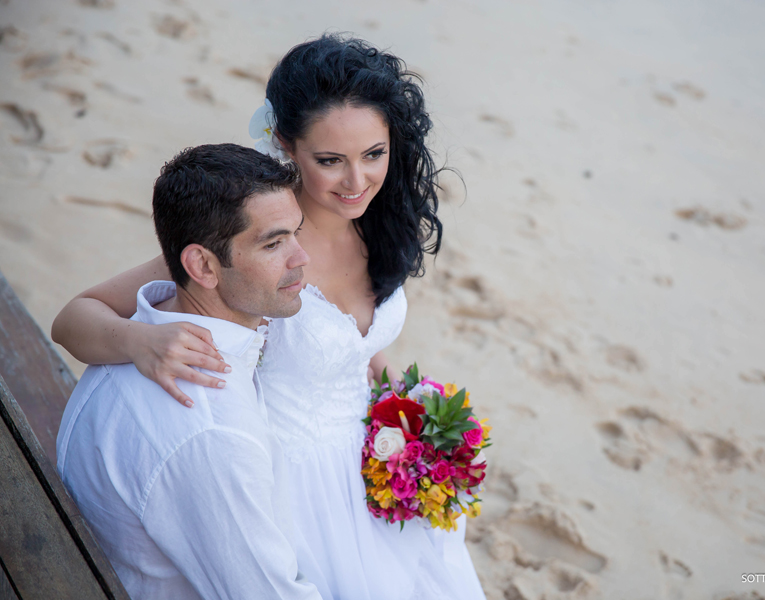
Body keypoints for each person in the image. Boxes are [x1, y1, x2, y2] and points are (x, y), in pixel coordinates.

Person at [52, 35, 485, 599]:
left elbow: (356, 344)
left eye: (373, 154)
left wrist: (407, 407)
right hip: (293, 482)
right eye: (330, 161)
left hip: (375, 459)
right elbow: (73, 319)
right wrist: (136, 340)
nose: (357, 182)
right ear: (286, 144)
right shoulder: (253, 240)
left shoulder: (381, 221)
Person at [56, 144, 322, 599]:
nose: (302, 258)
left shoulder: (147, 321)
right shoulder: (212, 428)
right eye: (273, 243)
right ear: (201, 265)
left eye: (295, 234)